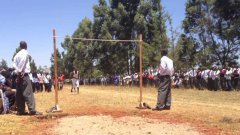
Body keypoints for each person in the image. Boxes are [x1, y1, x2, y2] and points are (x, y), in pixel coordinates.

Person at [12, 41, 42, 115]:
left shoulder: (16, 55)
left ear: (20, 46)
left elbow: (13, 65)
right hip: (23, 75)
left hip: (18, 76)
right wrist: (20, 71)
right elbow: (23, 61)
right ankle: (32, 110)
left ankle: (20, 111)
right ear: (26, 46)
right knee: (28, 92)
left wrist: (17, 72)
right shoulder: (25, 53)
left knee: (19, 93)